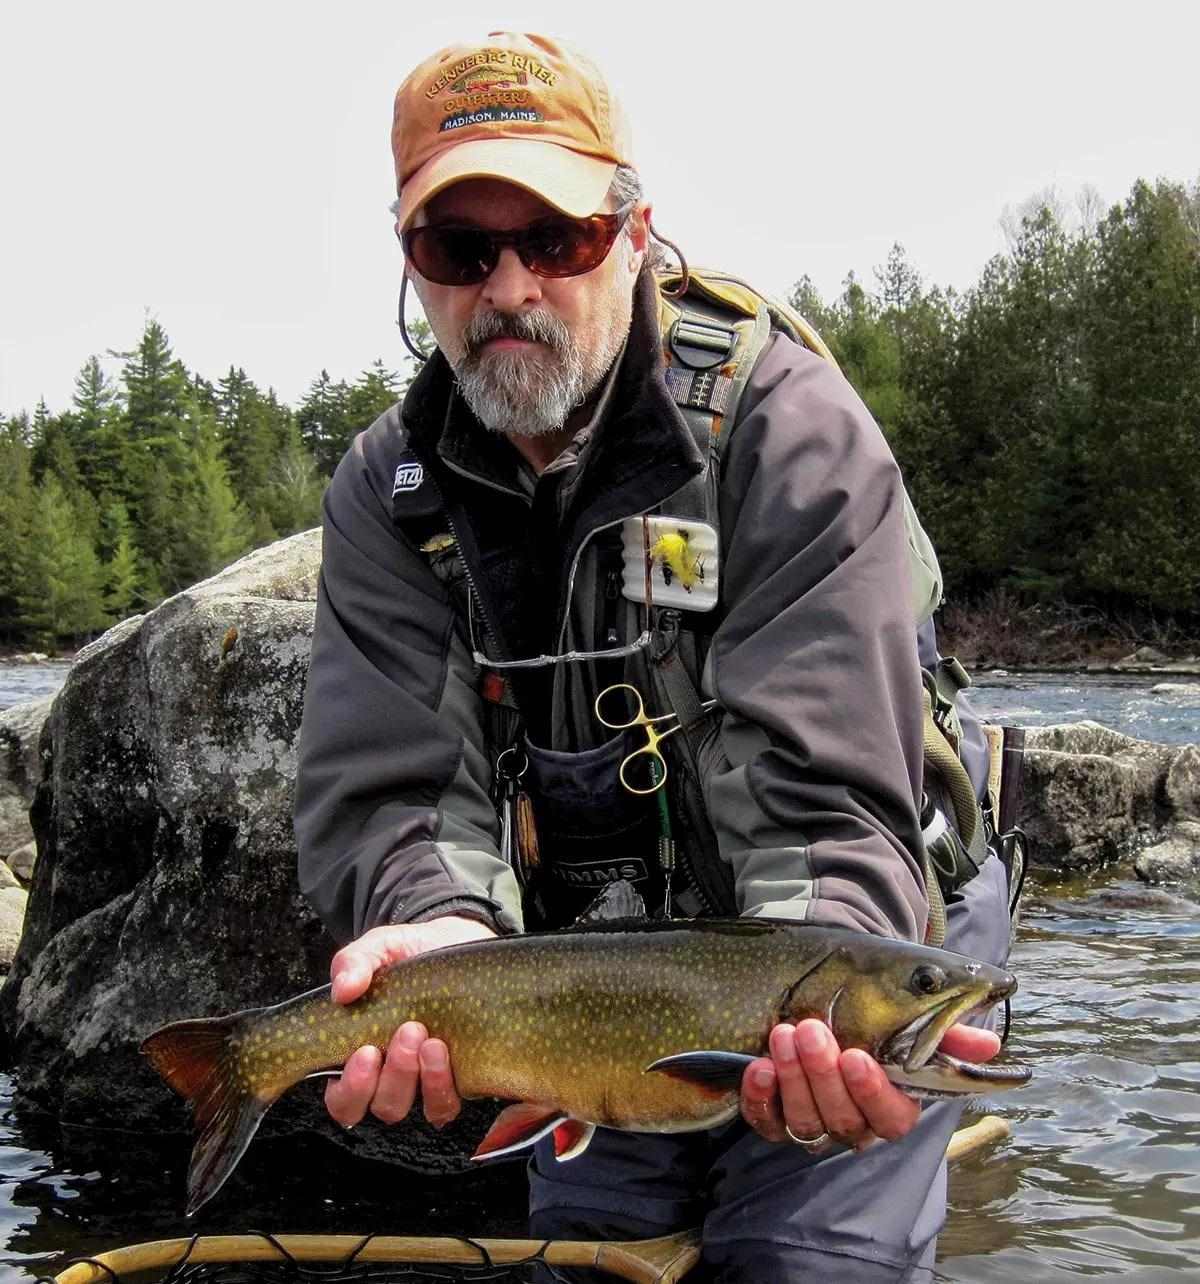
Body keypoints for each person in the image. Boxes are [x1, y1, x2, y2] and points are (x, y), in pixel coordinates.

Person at [295, 31, 1012, 1282]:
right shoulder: (388, 495)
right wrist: (435, 933)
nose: (509, 287)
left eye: (556, 240)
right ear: (413, 268)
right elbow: (398, 790)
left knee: (803, 1263)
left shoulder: (786, 431)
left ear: (632, 234)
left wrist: (817, 1000)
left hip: (855, 920)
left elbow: (829, 798)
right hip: (599, 981)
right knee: (592, 1264)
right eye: (460, 250)